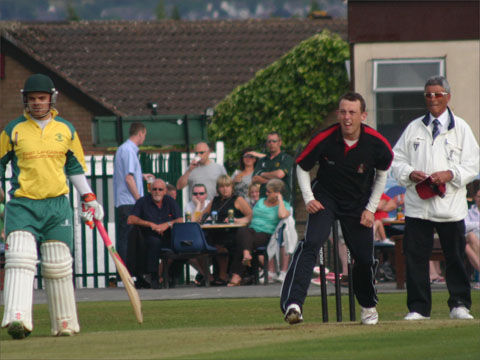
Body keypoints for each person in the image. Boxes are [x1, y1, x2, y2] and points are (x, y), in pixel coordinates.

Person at [0, 74, 104, 339]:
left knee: (58, 264)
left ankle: (65, 322)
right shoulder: (13, 129)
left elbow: (75, 167)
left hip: (58, 204)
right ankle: (17, 319)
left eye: (42, 98)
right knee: (20, 259)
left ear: (51, 99)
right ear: (25, 99)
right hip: (23, 203)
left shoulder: (66, 129)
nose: (37, 103)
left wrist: (89, 197)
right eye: (32, 98)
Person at [280, 92, 393, 326]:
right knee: (311, 243)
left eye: (352, 112)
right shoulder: (325, 137)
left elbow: (382, 174)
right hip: (326, 197)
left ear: (363, 115)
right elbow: (302, 166)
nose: (347, 117)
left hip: (358, 202)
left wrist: (371, 209)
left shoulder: (376, 143)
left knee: (363, 259)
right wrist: (309, 197)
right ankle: (293, 304)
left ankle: (368, 306)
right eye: (343, 112)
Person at [391, 76, 479, 320]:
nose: (433, 99)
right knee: (416, 258)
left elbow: (473, 164)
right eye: (428, 95)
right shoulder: (413, 128)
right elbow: (396, 162)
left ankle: (459, 304)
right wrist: (410, 173)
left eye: (438, 94)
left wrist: (450, 174)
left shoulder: (461, 128)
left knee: (455, 257)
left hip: (450, 206)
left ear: (448, 97)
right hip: (418, 206)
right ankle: (419, 308)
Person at [228, 179, 291, 286]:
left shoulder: (285, 205)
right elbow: (250, 218)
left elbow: (282, 215)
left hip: (267, 235)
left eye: (269, 192)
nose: (266, 194)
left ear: (277, 193)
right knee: (243, 231)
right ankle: (246, 255)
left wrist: (279, 200)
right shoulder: (261, 201)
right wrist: (236, 220)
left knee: (242, 241)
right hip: (252, 232)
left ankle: (237, 275)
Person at [127, 178, 183, 289]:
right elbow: (131, 219)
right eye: (154, 189)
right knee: (154, 243)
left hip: (167, 235)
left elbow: (180, 220)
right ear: (150, 190)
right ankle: (154, 277)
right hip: (147, 236)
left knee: (183, 244)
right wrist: (150, 224)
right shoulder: (142, 202)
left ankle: (173, 276)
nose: (157, 191)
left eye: (160, 189)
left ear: (165, 191)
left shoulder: (170, 201)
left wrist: (166, 224)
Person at [198, 175, 252, 285]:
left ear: (232, 187)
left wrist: (237, 220)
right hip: (215, 232)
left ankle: (222, 276)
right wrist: (203, 217)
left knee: (220, 245)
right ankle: (209, 276)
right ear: (218, 188)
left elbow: (251, 216)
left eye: (227, 186)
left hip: (232, 233)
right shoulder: (215, 200)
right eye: (222, 186)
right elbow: (202, 216)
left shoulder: (238, 199)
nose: (225, 189)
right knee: (198, 245)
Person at [113, 122, 152, 264]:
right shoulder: (129, 151)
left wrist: (141, 175)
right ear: (140, 133)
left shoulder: (123, 149)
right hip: (129, 201)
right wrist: (139, 200)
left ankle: (126, 273)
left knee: (126, 237)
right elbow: (129, 178)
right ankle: (127, 273)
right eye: (144, 135)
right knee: (128, 240)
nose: (144, 138)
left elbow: (128, 174)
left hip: (124, 201)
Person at [252, 132, 294, 202]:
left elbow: (279, 174)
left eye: (274, 141)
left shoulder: (286, 158)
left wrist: (262, 174)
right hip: (264, 201)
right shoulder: (262, 160)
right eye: (269, 141)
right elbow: (254, 179)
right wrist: (274, 181)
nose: (271, 143)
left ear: (280, 142)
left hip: (283, 201)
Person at [465, 181, 480, 289]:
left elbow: (468, 225)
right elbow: (464, 226)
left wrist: (474, 225)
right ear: (474, 197)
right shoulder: (469, 211)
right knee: (471, 237)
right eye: (479, 196)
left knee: (467, 246)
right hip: (474, 238)